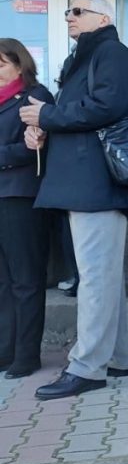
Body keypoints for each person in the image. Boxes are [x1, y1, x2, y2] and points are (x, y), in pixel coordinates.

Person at [21, 0, 128, 400]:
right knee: (103, 276)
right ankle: (117, 358)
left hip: (97, 183)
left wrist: (48, 116)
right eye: (67, 10)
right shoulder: (89, 55)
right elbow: (85, 112)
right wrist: (44, 127)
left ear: (103, 18)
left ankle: (87, 367)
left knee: (95, 278)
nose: (69, 17)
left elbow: (106, 106)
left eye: (77, 11)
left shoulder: (111, 52)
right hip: (89, 182)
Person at [0, 39, 53, 378]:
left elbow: (36, 148)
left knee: (26, 280)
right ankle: (5, 350)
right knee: (3, 282)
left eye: (1, 64)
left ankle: (27, 354)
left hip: (21, 197)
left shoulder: (35, 97)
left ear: (20, 65)